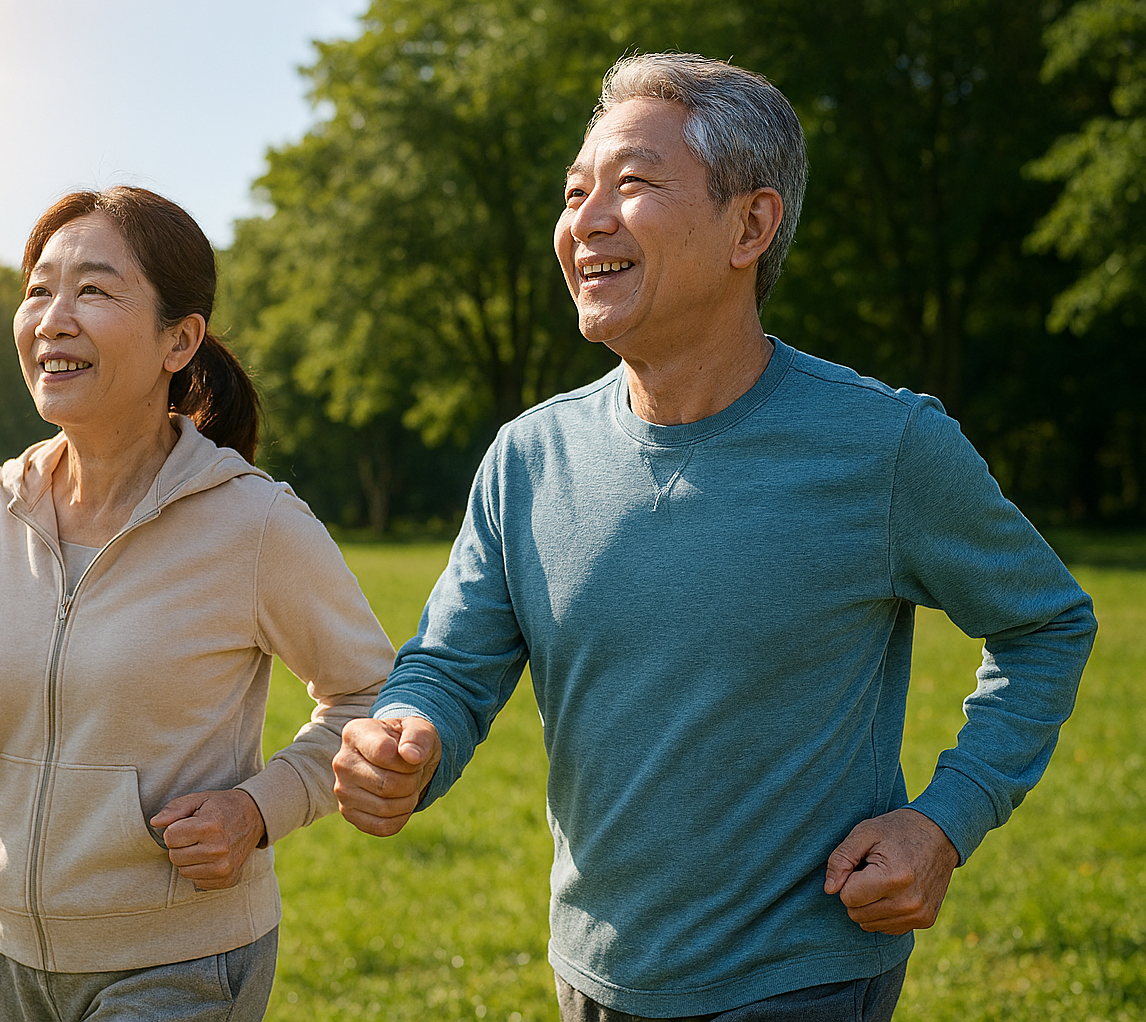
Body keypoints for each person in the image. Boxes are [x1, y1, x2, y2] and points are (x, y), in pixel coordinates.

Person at [332, 52, 1097, 1022]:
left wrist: (942, 822)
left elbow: (1046, 626)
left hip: (802, 977)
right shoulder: (527, 457)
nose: (587, 220)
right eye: (576, 193)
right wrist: (410, 737)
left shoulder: (886, 446)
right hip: (593, 972)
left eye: (634, 184)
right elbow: (449, 664)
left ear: (751, 225)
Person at [0, 185, 396, 1022]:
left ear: (179, 339)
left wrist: (257, 809)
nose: (53, 316)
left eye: (92, 289)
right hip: (11, 959)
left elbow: (373, 696)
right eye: (39, 290)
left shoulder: (256, 523)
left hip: (182, 963)